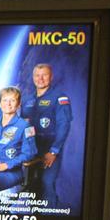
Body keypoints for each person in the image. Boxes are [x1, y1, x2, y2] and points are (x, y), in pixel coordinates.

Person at [21, 63, 72, 205]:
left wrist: (54, 151)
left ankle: (51, 219)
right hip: (31, 150)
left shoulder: (59, 98)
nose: (40, 79)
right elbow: (22, 125)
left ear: (51, 77)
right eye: (37, 75)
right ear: (33, 77)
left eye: (44, 75)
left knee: (47, 183)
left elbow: (64, 124)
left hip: (49, 149)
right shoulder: (26, 99)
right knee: (31, 186)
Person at [0, 86, 37, 194]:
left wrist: (6, 165)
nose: (8, 104)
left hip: (11, 172)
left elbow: (30, 154)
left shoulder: (25, 126)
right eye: (5, 100)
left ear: (19, 103)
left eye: (12, 100)